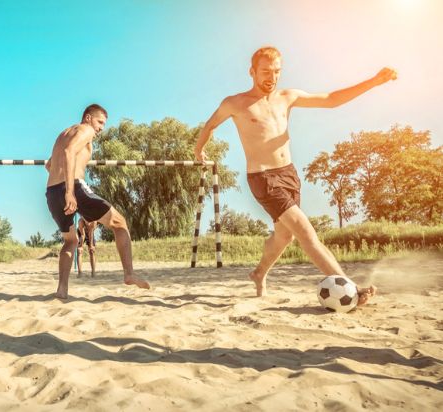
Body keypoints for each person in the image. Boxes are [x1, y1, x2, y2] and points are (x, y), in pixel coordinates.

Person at [194, 46, 395, 303]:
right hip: (263, 178)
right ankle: (352, 290)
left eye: (277, 71)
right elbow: (210, 125)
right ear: (252, 72)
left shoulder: (287, 97)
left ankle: (259, 273)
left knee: (284, 236)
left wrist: (375, 81)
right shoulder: (235, 103)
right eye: (266, 71)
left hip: (288, 174)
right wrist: (199, 149)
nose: (272, 77)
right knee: (305, 232)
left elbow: (331, 99)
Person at [45, 104, 150, 299]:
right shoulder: (85, 130)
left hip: (51, 192)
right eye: (100, 122)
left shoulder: (63, 134)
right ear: (87, 118)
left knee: (70, 241)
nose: (101, 127)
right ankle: (129, 273)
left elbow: (49, 165)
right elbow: (69, 152)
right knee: (120, 223)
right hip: (73, 187)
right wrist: (69, 192)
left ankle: (62, 289)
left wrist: (60, 188)